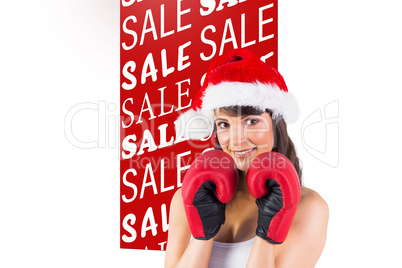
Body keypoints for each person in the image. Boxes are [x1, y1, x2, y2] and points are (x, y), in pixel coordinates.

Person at [164, 49, 329, 268]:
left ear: (275, 123)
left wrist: (269, 233)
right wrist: (203, 236)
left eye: (252, 122)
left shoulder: (309, 207)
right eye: (224, 124)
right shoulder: (186, 198)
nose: (237, 140)